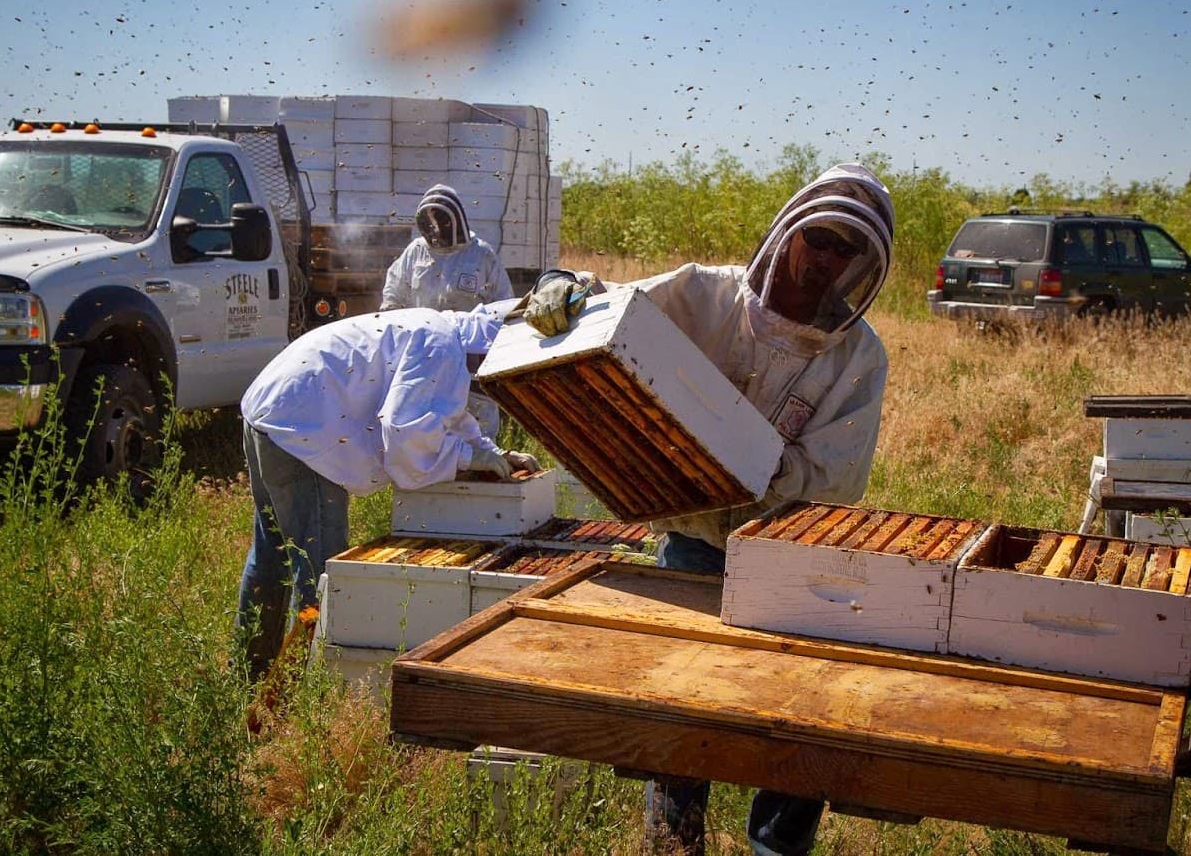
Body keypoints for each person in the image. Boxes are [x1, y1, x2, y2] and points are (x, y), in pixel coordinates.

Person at [524, 162, 894, 856]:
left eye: (845, 249)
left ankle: (774, 850)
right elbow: (611, 309)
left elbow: (837, 475)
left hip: (788, 554)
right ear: (788, 232)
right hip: (693, 539)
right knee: (680, 701)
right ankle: (675, 842)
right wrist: (563, 284)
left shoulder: (858, 357)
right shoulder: (703, 294)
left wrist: (753, 459)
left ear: (863, 265)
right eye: (818, 238)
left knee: (795, 714)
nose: (826, 259)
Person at [237, 302, 537, 682]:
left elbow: (446, 414)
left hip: (272, 410)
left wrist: (493, 453)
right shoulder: (441, 348)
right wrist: (467, 456)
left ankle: (247, 674)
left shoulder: (441, 334)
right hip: (303, 431)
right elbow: (403, 432)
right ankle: (298, 687)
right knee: (320, 573)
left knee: (271, 554)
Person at [381, 183, 515, 437]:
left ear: (456, 221)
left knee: (476, 428)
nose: (437, 229)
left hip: (469, 356)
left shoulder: (481, 255)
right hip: (424, 353)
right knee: (426, 425)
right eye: (431, 222)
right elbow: (394, 294)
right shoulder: (415, 252)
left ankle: (482, 458)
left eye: (441, 221)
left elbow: (503, 307)